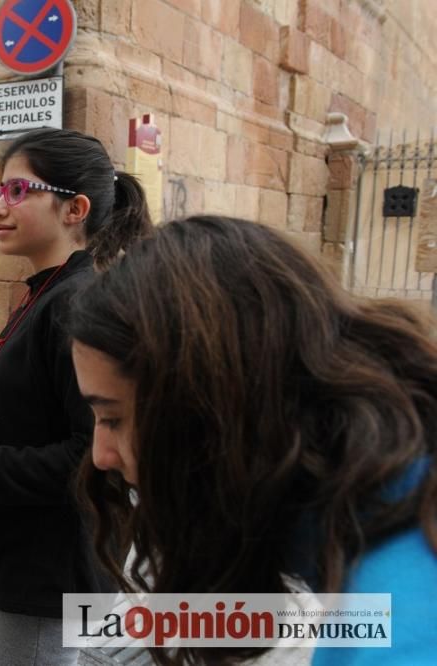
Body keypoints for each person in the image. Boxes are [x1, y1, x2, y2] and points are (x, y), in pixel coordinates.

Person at [68, 215, 437, 666]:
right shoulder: (368, 514)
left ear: (214, 410)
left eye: (114, 418)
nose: (102, 456)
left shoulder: (401, 632)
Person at [0, 128, 153, 665]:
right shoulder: (46, 290)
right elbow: (30, 417)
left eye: (18, 191)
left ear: (74, 209)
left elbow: (93, 459)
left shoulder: (78, 305)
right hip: (6, 538)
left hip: (50, 564)